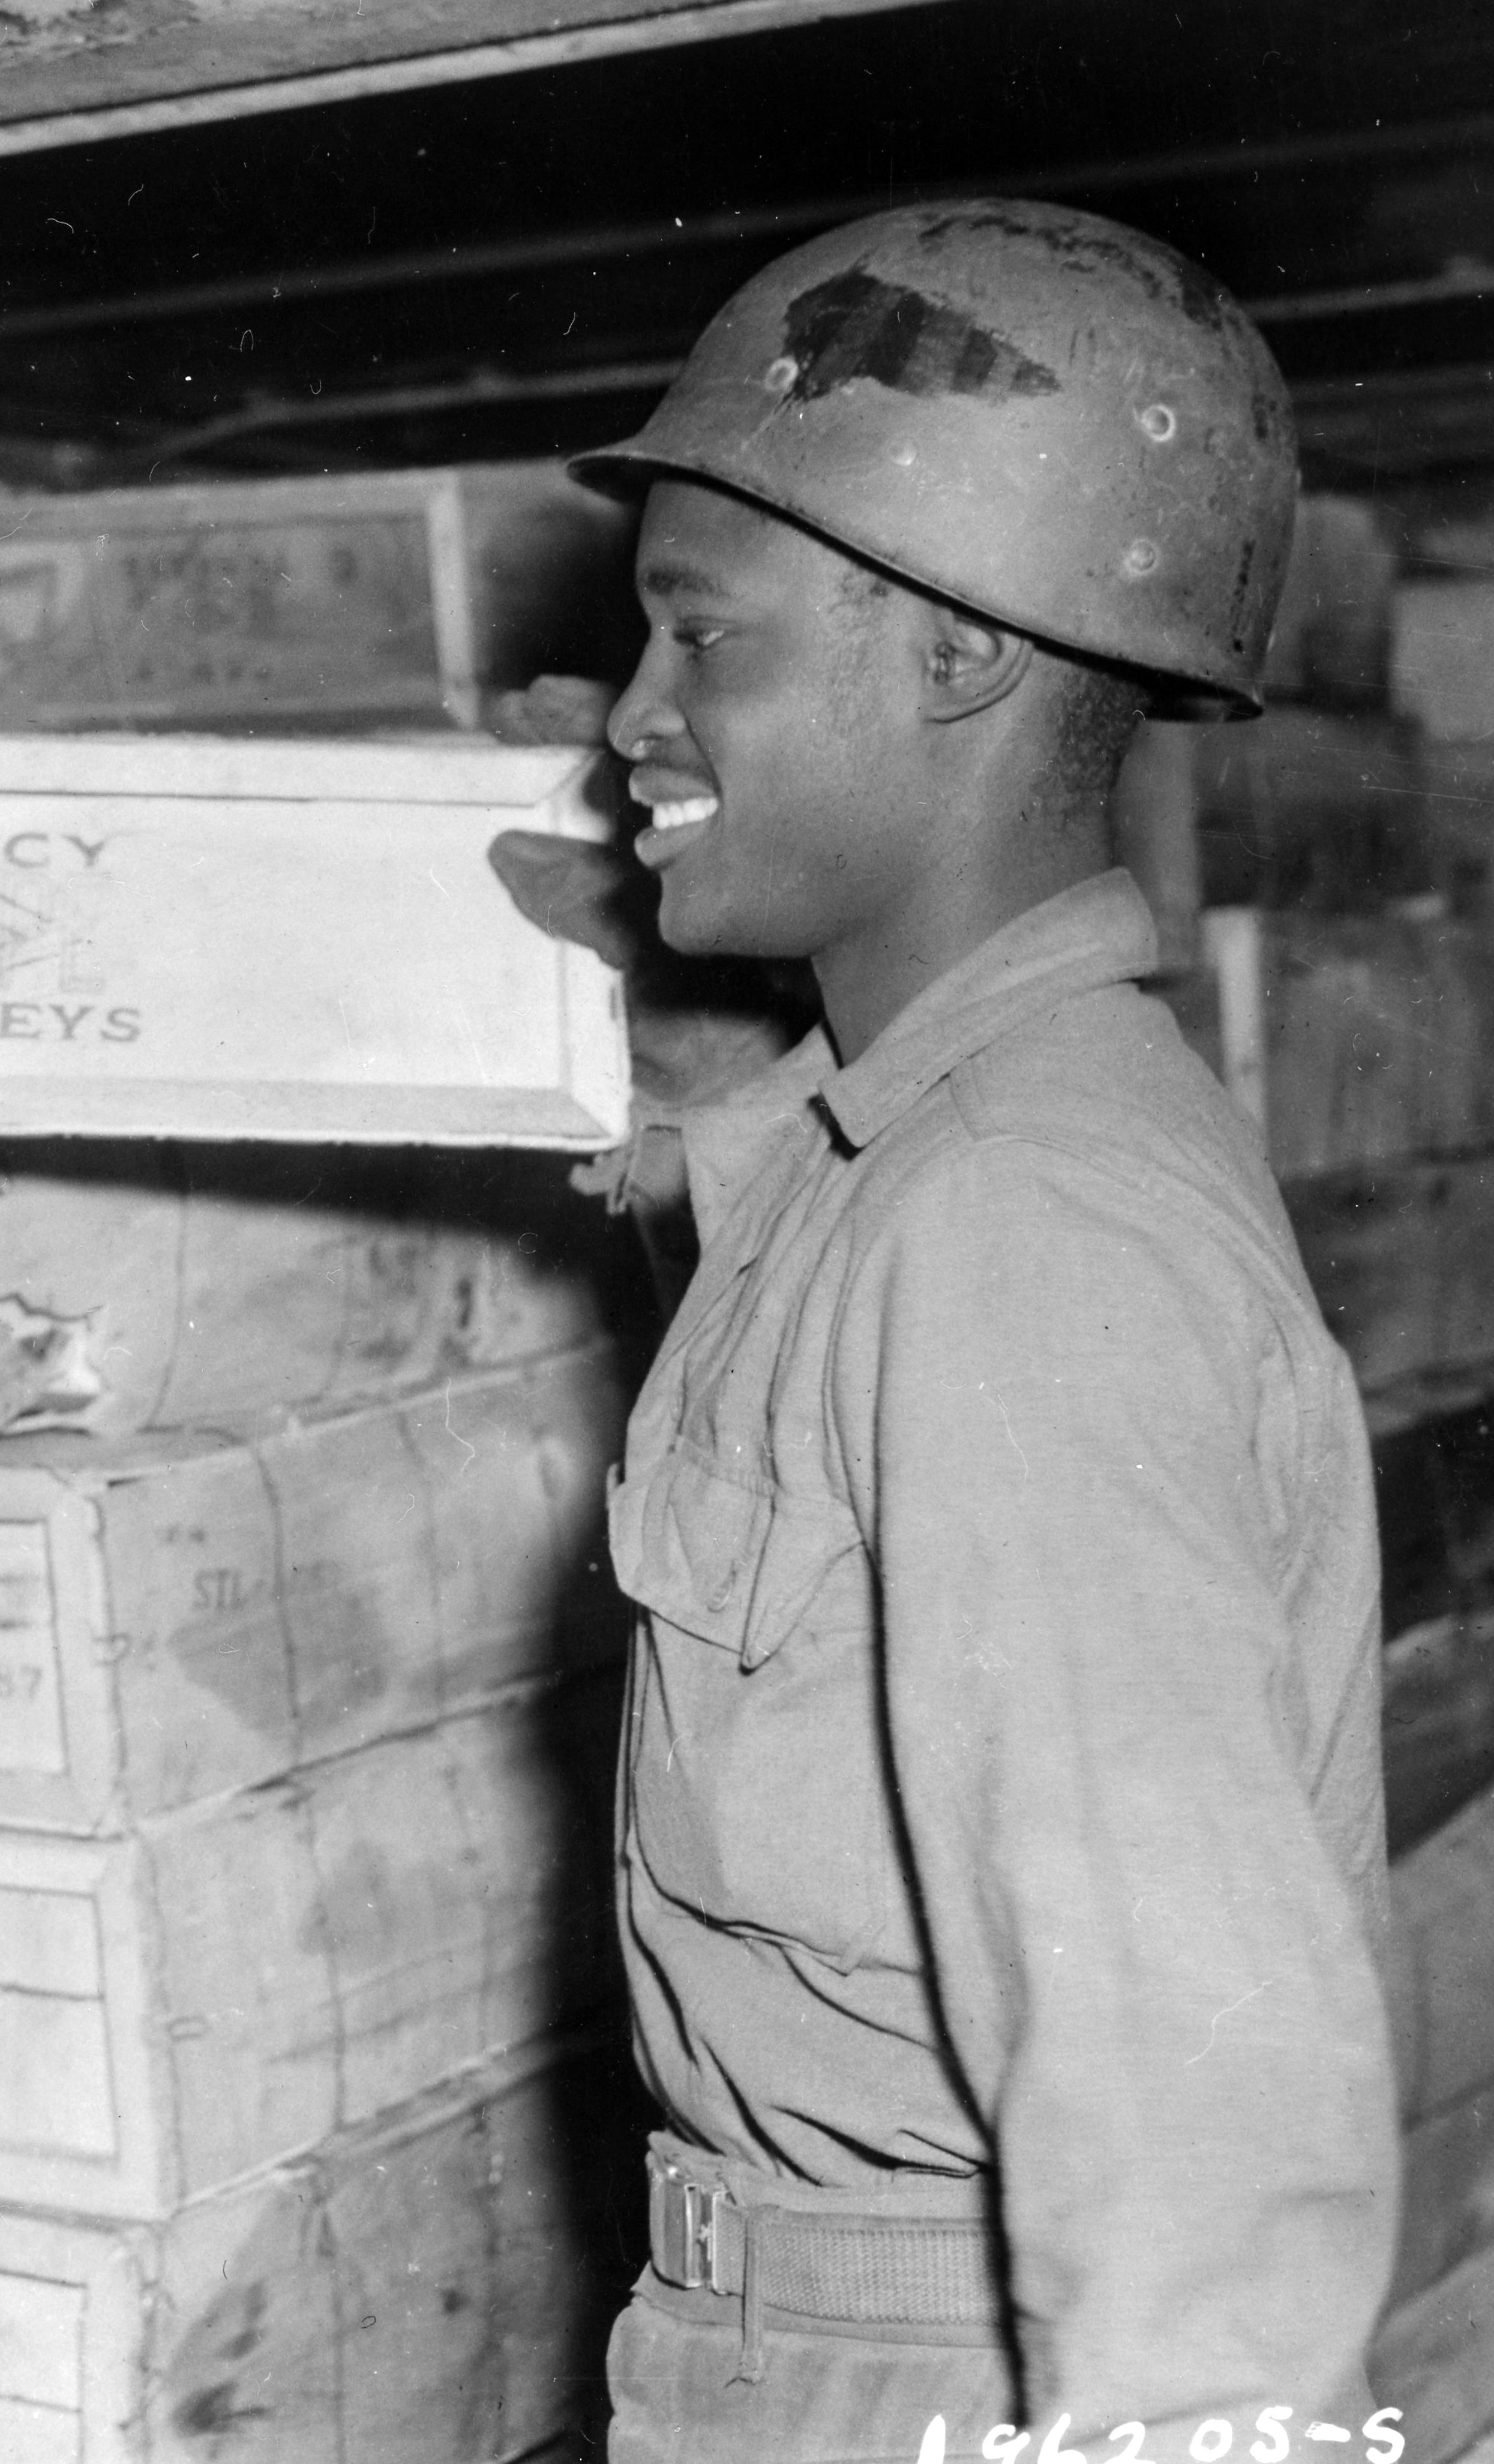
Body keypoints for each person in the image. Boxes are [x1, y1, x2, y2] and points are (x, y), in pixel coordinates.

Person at [490, 202, 1402, 2457]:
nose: (633, 716)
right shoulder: (911, 1156)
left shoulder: (1017, 1225)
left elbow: (1189, 2085)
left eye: (704, 636)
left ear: (964, 661)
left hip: (916, 2380)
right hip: (797, 2340)